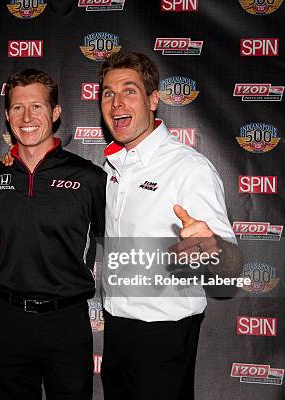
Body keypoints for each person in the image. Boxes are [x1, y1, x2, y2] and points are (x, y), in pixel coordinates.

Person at [98, 50, 239, 399]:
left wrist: (212, 248)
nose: (117, 103)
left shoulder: (189, 168)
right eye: (107, 93)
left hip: (164, 335)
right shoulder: (112, 168)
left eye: (129, 91)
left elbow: (231, 269)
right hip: (116, 329)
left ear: (153, 100)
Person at [0, 69, 106, 400]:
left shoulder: (90, 178)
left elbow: (120, 238)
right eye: (17, 108)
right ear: (7, 116)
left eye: (37, 106)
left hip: (66, 322)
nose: (27, 117)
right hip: (7, 319)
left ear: (55, 113)